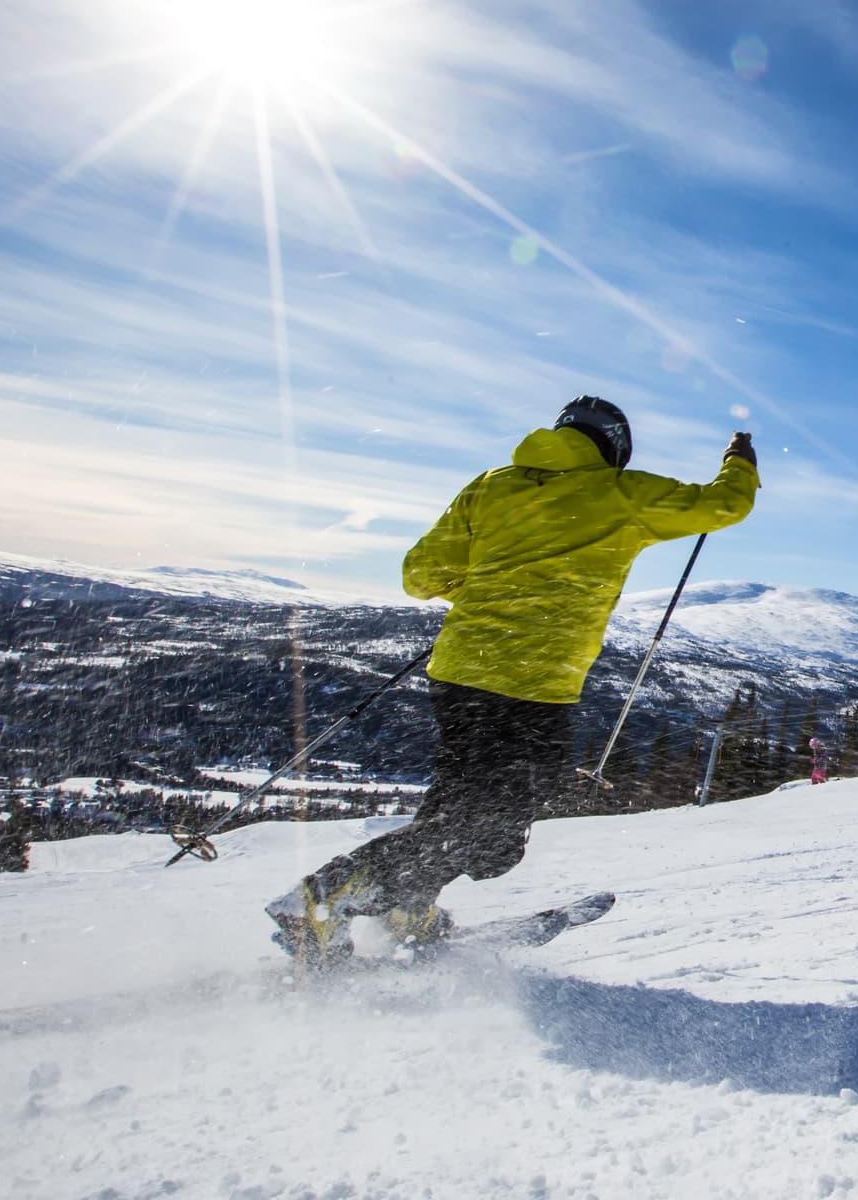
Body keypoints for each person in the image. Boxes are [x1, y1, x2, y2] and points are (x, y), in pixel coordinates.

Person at [265, 397, 761, 963]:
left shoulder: (493, 485)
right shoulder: (624, 495)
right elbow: (724, 506)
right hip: (535, 685)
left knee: (460, 799)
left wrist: (495, 591)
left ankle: (405, 905)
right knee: (494, 833)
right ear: (615, 446)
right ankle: (321, 898)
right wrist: (739, 460)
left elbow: (420, 575)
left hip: (459, 674)